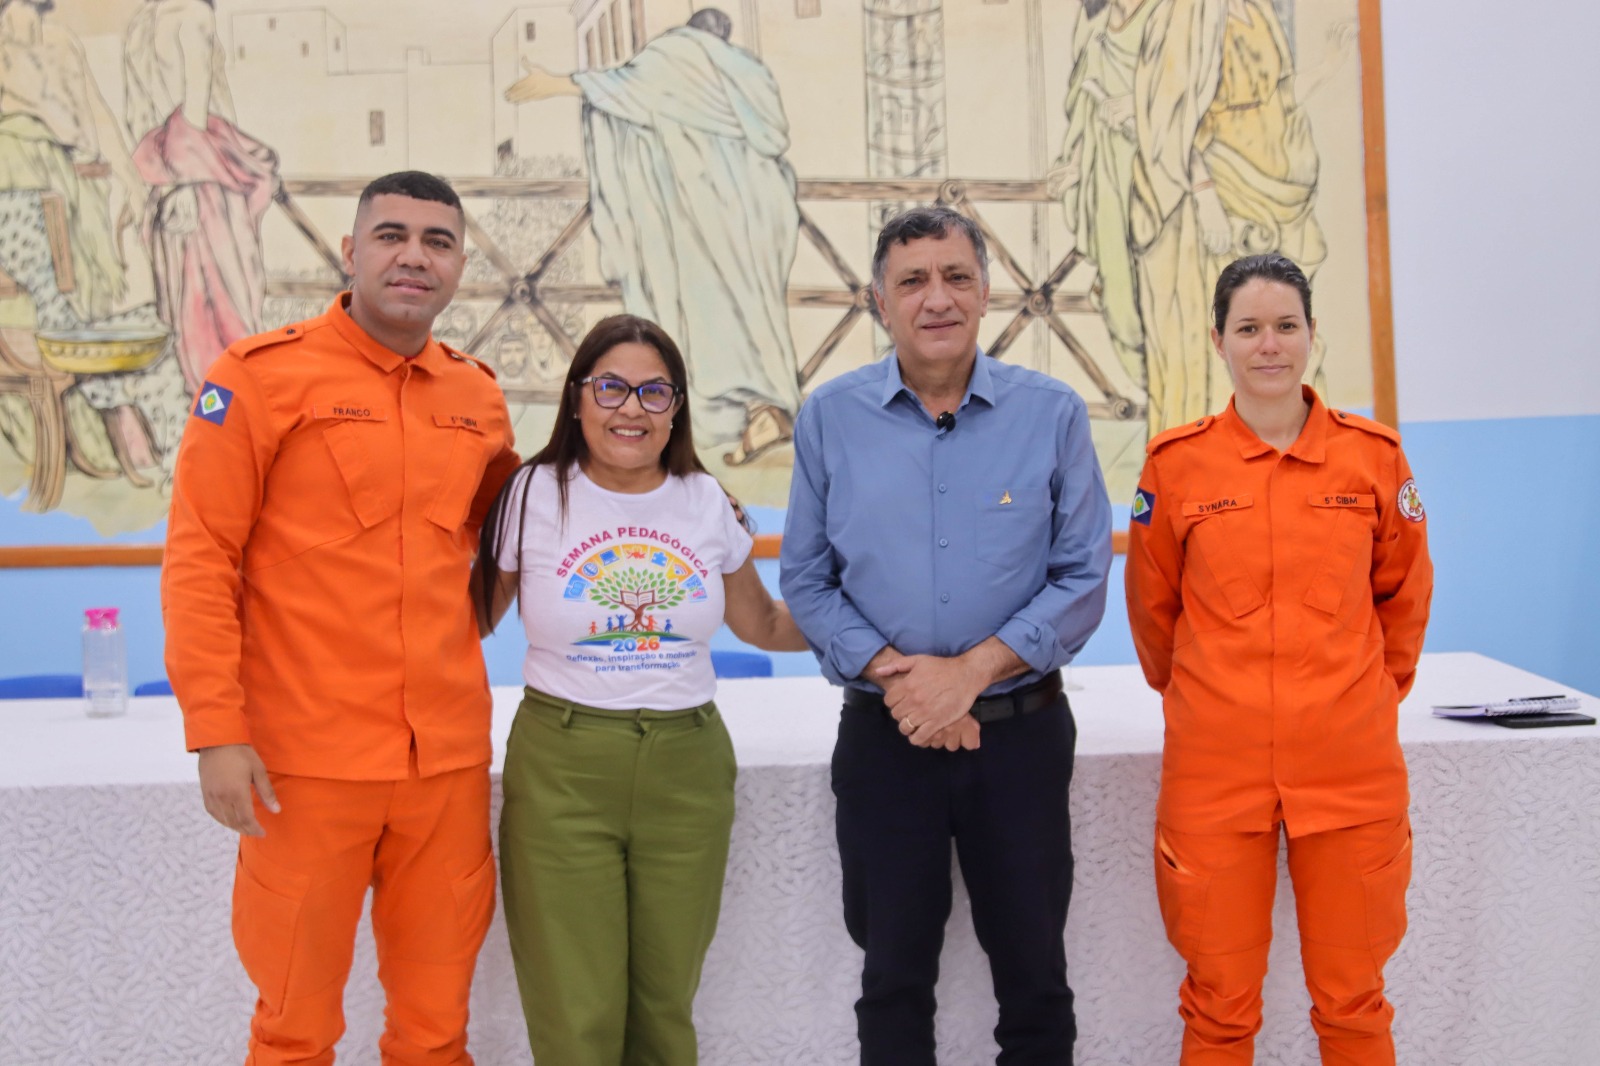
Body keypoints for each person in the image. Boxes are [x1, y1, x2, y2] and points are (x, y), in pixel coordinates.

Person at [161, 171, 521, 1066]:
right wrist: (216, 732)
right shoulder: (258, 378)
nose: (414, 256)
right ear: (350, 251)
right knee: (294, 1032)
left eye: (438, 241)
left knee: (436, 1034)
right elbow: (201, 560)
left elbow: (497, 549)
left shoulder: (476, 397)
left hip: (443, 766)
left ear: (460, 266)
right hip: (304, 767)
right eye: (392, 235)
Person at [780, 205, 1113, 1064]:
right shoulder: (830, 417)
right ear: (879, 302)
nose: (938, 298)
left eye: (957, 276)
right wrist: (906, 682)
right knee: (892, 979)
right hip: (885, 743)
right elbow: (807, 577)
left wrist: (968, 675)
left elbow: (1082, 578)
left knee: (1036, 980)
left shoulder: (1052, 414)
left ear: (986, 292)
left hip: (1020, 739)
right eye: (914, 281)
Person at [1124, 253, 1432, 1064]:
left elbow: (1404, 601)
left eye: (1286, 326)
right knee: (1218, 1006)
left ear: (1311, 334)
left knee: (1354, 1002)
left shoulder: (1374, 457)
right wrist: (1214, 703)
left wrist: (1357, 701)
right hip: (1216, 775)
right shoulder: (1174, 465)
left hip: (1350, 769)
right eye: (1250, 328)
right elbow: (1154, 617)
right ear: (1219, 340)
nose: (1269, 344)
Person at [475, 313, 808, 1065]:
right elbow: (470, 622)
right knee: (577, 1015)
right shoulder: (532, 494)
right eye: (611, 388)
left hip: (686, 771)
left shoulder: (706, 500)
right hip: (563, 771)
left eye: (654, 392)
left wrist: (882, 626)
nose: (632, 408)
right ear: (577, 398)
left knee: (664, 1009)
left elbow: (762, 623)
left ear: (676, 407)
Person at [503, 7, 801, 464]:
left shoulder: (676, 53)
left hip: (697, 214)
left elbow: (625, 88)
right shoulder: (751, 73)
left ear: (693, 32)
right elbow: (772, 138)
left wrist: (559, 83)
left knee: (700, 314)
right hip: (754, 214)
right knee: (752, 311)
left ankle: (731, 415)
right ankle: (762, 408)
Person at [1130, 0, 1329, 437]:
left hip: (1274, 189)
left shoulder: (1259, 10)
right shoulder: (1183, 13)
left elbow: (1276, 97)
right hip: (1215, 196)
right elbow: (1168, 120)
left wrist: (1328, 66)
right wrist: (1204, 193)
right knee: (1211, 357)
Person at [124, 0, 279, 396]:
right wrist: (187, 182)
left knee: (192, 313)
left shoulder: (143, 23)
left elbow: (140, 117)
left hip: (167, 179)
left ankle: (211, 413)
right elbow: (195, 104)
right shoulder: (194, 14)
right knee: (226, 311)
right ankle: (224, 418)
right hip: (201, 181)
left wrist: (166, 182)